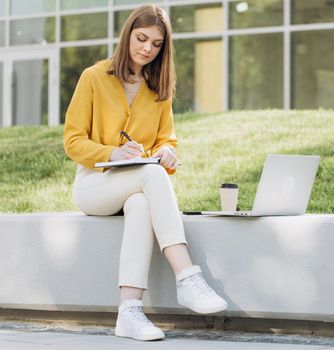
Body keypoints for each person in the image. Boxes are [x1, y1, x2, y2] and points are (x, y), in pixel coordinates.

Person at [63, 4, 227, 341]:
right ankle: (186, 276)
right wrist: (112, 152)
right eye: (141, 39)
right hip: (94, 186)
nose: (147, 49)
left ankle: (130, 311)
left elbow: (167, 139)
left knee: (141, 202)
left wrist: (167, 151)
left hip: (135, 185)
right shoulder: (93, 77)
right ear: (127, 35)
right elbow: (73, 141)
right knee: (152, 176)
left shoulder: (159, 90)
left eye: (156, 44)